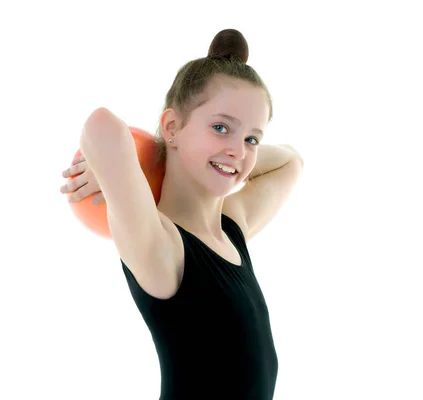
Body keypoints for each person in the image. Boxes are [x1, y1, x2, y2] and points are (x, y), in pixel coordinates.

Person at [59, 29, 303, 399]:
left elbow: (291, 162)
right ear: (172, 126)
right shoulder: (162, 247)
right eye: (221, 128)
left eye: (252, 138)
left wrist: (205, 150)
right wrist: (149, 155)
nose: (239, 150)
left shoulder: (230, 229)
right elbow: (100, 125)